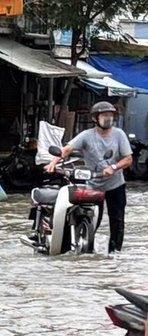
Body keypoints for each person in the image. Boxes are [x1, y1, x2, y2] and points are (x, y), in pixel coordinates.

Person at [48, 101, 132, 254]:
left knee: (117, 220)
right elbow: (67, 149)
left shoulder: (119, 135)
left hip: (115, 184)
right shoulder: (87, 135)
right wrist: (53, 162)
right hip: (93, 184)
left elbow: (128, 159)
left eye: (111, 115)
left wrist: (113, 167)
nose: (108, 118)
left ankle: (115, 253)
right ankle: (84, 247)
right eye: (104, 115)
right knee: (91, 218)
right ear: (95, 118)